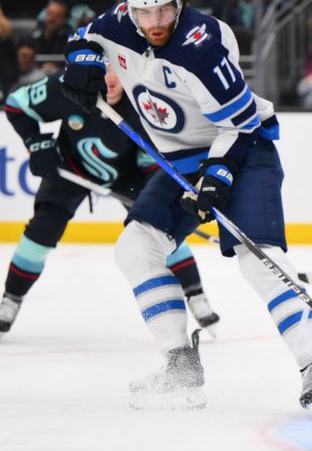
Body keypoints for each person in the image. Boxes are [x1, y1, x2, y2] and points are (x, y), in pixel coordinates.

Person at [60, 0, 312, 415]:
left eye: (163, 11)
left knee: (257, 259)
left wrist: (217, 178)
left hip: (244, 149)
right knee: (135, 248)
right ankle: (180, 368)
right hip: (181, 161)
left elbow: (243, 122)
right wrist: (82, 62)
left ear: (179, 4)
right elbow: (82, 38)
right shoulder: (119, 23)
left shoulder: (201, 45)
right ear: (130, 10)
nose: (155, 22)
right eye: (144, 13)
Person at [0, 68, 220, 339]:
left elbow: (154, 159)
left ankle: (195, 292)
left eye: (119, 67)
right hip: (72, 167)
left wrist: (154, 198)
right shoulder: (70, 85)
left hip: (130, 173)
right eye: (105, 69)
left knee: (159, 225)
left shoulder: (146, 98)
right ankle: (11, 297)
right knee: (42, 230)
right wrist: (36, 143)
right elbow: (16, 104)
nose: (112, 79)